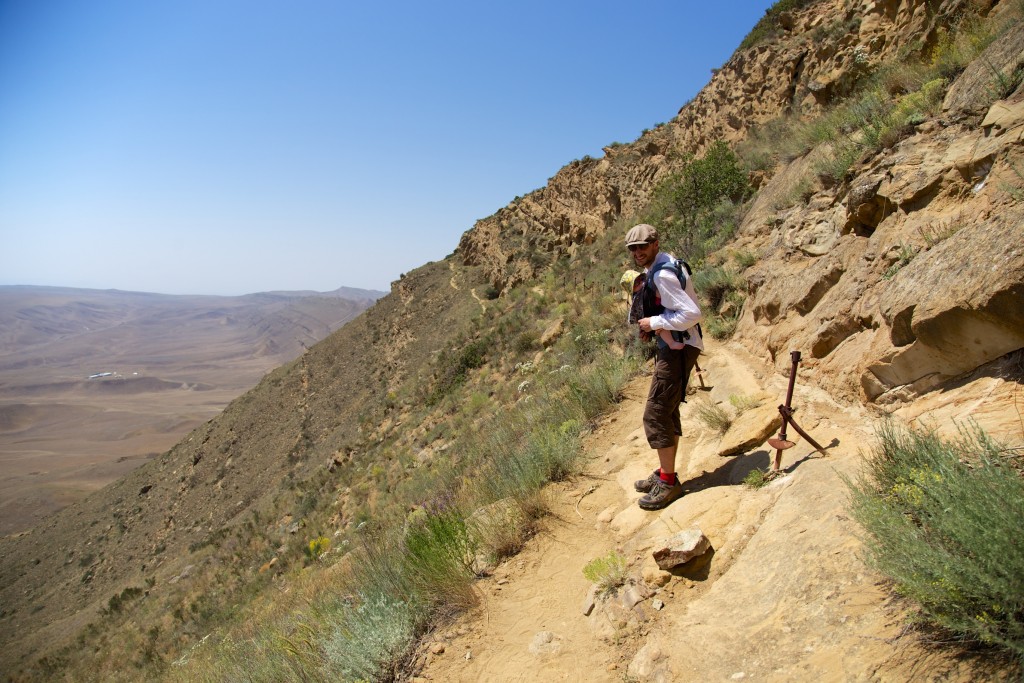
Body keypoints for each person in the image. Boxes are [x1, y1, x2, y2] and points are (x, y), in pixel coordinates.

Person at [625, 223, 703, 510]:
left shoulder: (664, 274)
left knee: (656, 413)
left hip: (679, 349)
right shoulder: (665, 263)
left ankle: (668, 482)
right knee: (667, 410)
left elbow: (692, 313)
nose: (637, 252)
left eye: (642, 246)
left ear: (655, 243)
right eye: (633, 248)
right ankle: (665, 472)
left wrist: (654, 322)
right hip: (681, 345)